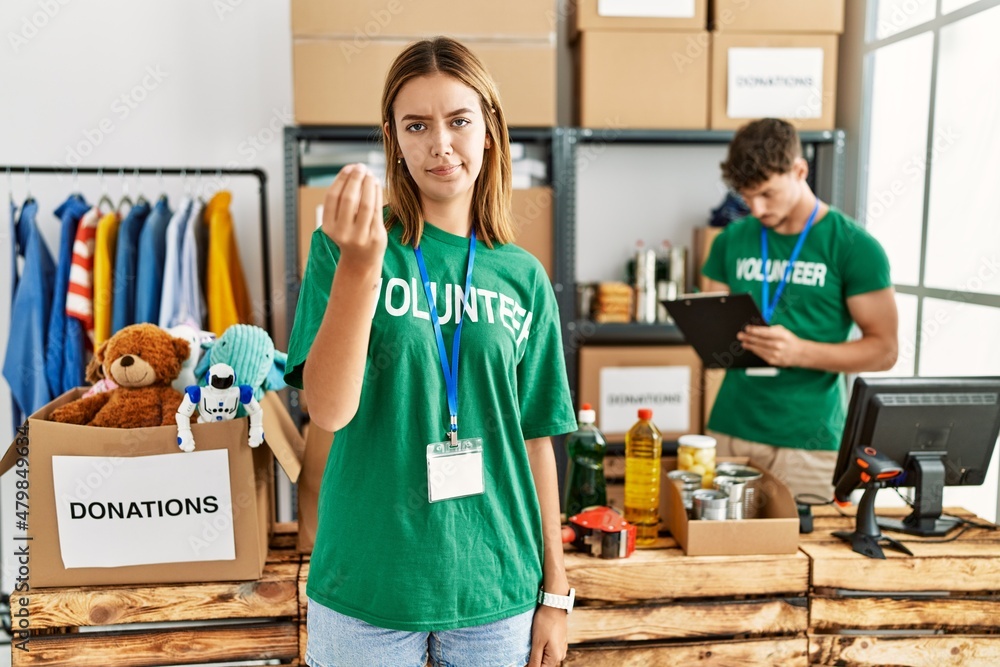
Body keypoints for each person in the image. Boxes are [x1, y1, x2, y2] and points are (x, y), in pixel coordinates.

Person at [284, 37, 578, 667]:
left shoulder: (523, 277)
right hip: (367, 587)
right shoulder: (344, 249)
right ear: (393, 139)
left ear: (491, 131)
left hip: (496, 585)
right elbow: (329, 410)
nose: (440, 144)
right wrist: (363, 264)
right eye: (416, 125)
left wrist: (556, 589)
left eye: (459, 120)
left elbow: (537, 439)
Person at [701, 118, 899, 500]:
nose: (756, 208)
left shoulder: (853, 246)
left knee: (808, 556)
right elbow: (712, 318)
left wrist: (798, 352)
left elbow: (885, 350)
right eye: (745, 195)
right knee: (725, 553)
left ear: (800, 170)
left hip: (810, 441)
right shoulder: (731, 240)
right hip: (731, 429)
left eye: (767, 194)